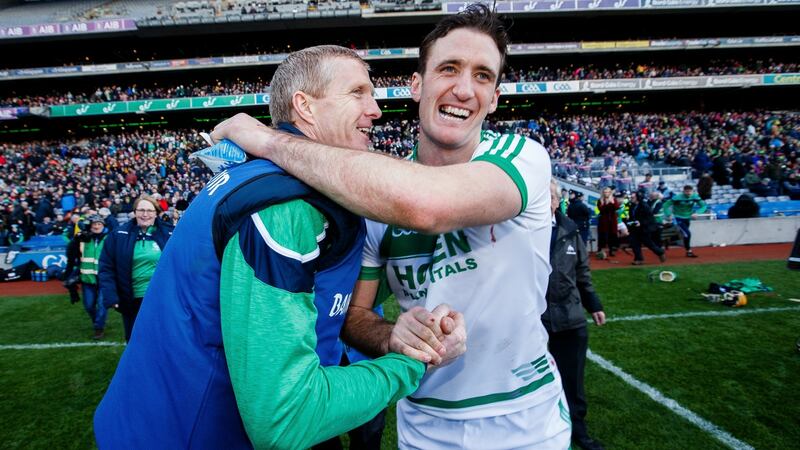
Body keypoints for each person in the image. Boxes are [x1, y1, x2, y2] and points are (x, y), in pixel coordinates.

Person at [212, 5, 571, 448]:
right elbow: (354, 315)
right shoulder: (374, 196)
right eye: (449, 68)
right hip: (423, 425)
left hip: (524, 420)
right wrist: (390, 335)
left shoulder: (524, 156)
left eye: (482, 76)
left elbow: (428, 205)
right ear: (417, 85)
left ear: (495, 97)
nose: (463, 89)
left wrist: (269, 141)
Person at [95, 45, 465, 450]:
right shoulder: (285, 207)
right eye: (357, 93)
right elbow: (285, 419)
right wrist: (410, 364)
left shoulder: (273, 180)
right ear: (305, 106)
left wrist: (392, 336)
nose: (375, 109)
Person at [543, 181, 606, 450]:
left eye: (549, 197)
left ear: (557, 201)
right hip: (535, 321)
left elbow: (582, 273)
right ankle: (541, 429)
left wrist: (594, 304)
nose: (544, 201)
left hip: (570, 317)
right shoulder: (521, 230)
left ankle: (578, 430)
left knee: (573, 378)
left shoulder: (571, 231)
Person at [98, 195, 173, 342]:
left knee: (162, 339)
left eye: (150, 211)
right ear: (134, 212)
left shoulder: (170, 233)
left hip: (162, 298)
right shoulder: (118, 235)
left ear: (156, 212)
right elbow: (106, 267)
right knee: (134, 340)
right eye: (141, 210)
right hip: (132, 300)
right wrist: (111, 296)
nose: (145, 214)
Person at [66, 214, 109, 339]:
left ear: (103, 225)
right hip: (87, 278)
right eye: (94, 224)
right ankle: (98, 321)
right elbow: (71, 252)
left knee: (102, 305)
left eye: (99, 224)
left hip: (104, 278)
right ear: (90, 226)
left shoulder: (109, 238)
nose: (96, 226)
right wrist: (76, 238)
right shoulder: (83, 239)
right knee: (89, 305)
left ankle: (99, 328)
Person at [663, 185, 707, 258]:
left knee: (683, 234)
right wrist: (669, 214)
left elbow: (704, 206)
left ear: (693, 191)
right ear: (683, 191)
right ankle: (689, 251)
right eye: (686, 191)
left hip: (688, 218)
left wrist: (697, 212)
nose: (688, 193)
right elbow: (665, 205)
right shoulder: (677, 197)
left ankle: (668, 240)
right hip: (678, 218)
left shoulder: (695, 197)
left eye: (690, 191)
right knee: (687, 234)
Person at [625, 191, 666, 265]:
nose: (631, 198)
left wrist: (641, 222)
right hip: (634, 228)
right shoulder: (632, 206)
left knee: (649, 243)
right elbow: (632, 216)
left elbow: (650, 218)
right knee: (634, 243)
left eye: (633, 197)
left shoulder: (644, 206)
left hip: (644, 229)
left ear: (638, 198)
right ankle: (638, 259)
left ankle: (660, 252)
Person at [595, 187, 620, 259]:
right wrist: (607, 204)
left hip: (612, 220)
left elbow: (616, 207)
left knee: (612, 235)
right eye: (605, 192)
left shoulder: (613, 200)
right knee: (602, 235)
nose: (606, 193)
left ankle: (611, 250)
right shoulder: (600, 200)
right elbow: (601, 209)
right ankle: (600, 250)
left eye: (608, 192)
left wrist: (610, 203)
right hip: (603, 220)